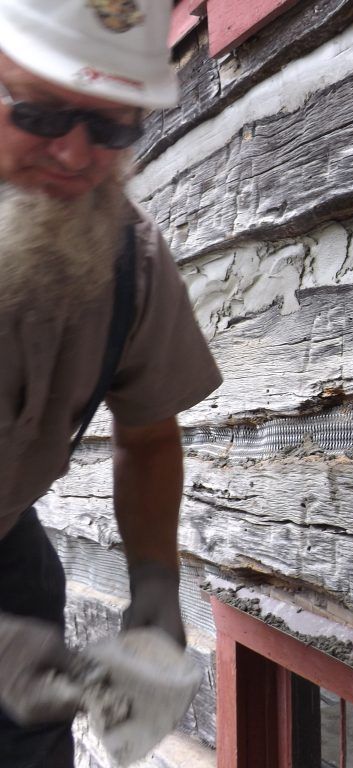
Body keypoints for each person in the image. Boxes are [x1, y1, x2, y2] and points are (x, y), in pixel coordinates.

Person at [0, 1, 222, 765]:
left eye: (111, 128)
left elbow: (151, 439)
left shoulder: (130, 263)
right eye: (38, 111)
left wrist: (156, 589)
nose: (73, 154)